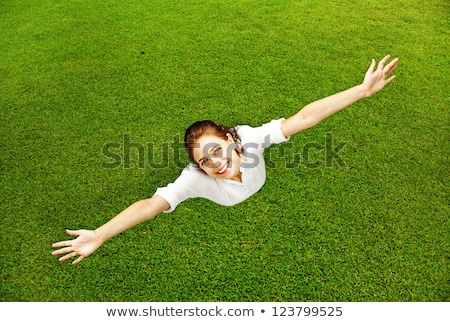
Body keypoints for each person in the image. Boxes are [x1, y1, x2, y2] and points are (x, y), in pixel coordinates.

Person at [52, 55, 398, 264]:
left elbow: (303, 118)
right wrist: (100, 233)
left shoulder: (249, 139)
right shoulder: (195, 179)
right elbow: (148, 205)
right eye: (204, 161)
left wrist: (361, 91)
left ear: (232, 140)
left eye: (217, 150)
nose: (215, 163)